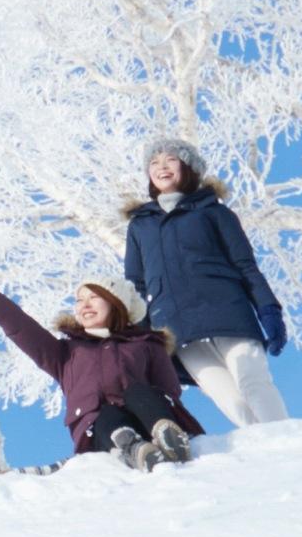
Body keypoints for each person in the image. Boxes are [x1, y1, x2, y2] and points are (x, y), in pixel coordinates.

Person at [123, 138, 291, 427]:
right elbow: (135, 285)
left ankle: (288, 441)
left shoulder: (214, 212)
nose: (161, 167)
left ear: (188, 167)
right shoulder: (140, 225)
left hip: (227, 310)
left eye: (170, 160)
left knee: (253, 380)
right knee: (225, 396)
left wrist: (268, 309)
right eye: (154, 163)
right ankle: (267, 455)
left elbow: (245, 266)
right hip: (177, 327)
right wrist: (142, 334)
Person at [0, 283, 203, 471]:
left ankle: (168, 435)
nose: (84, 305)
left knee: (139, 392)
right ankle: (135, 450)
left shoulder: (146, 344)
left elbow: (169, 390)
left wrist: (157, 408)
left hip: (147, 415)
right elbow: (23, 329)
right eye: (79, 300)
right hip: (100, 431)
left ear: (117, 303)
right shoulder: (65, 353)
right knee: (104, 415)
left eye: (94, 297)